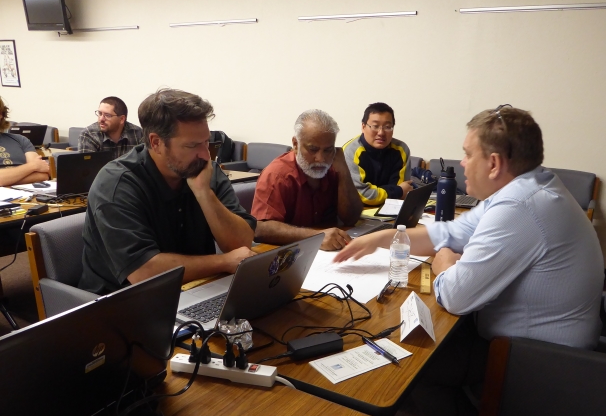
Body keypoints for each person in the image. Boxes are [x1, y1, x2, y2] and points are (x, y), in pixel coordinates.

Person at [335, 105, 604, 416]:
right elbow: (449, 234)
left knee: (420, 366)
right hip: (540, 340)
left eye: (467, 154)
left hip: (542, 360)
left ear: (493, 163)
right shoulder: (528, 187)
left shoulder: (519, 208)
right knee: (439, 336)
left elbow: (455, 294)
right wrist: (383, 237)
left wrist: (445, 260)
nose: (461, 164)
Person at [79, 89, 256, 295]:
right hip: (120, 303)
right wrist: (223, 262)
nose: (205, 154)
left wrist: (204, 194)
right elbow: (143, 271)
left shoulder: (203, 169)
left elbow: (241, 243)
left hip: (194, 290)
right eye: (192, 145)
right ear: (156, 143)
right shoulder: (116, 183)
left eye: (207, 142)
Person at [252, 109, 363, 251]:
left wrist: (344, 173)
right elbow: (261, 229)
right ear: (295, 144)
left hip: (329, 252)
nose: (321, 159)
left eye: (328, 150)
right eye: (312, 149)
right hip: (289, 256)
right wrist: (316, 237)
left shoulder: (334, 168)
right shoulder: (277, 175)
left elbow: (351, 218)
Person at [342, 102, 412, 205]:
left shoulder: (401, 150)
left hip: (391, 212)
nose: (381, 133)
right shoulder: (350, 152)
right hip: (358, 213)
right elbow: (362, 195)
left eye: (388, 127)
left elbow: (400, 195)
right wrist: (397, 191)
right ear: (363, 126)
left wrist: (396, 192)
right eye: (375, 126)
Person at [0, 95, 50, 186]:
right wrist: (32, 166)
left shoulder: (20, 140)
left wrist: (6, 179)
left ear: (1, 115)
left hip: (27, 196)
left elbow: (43, 175)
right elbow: (37, 167)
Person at [78, 96, 143, 157]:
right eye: (100, 113)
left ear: (122, 119)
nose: (101, 119)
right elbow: (87, 167)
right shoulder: (89, 134)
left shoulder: (138, 134)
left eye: (107, 115)